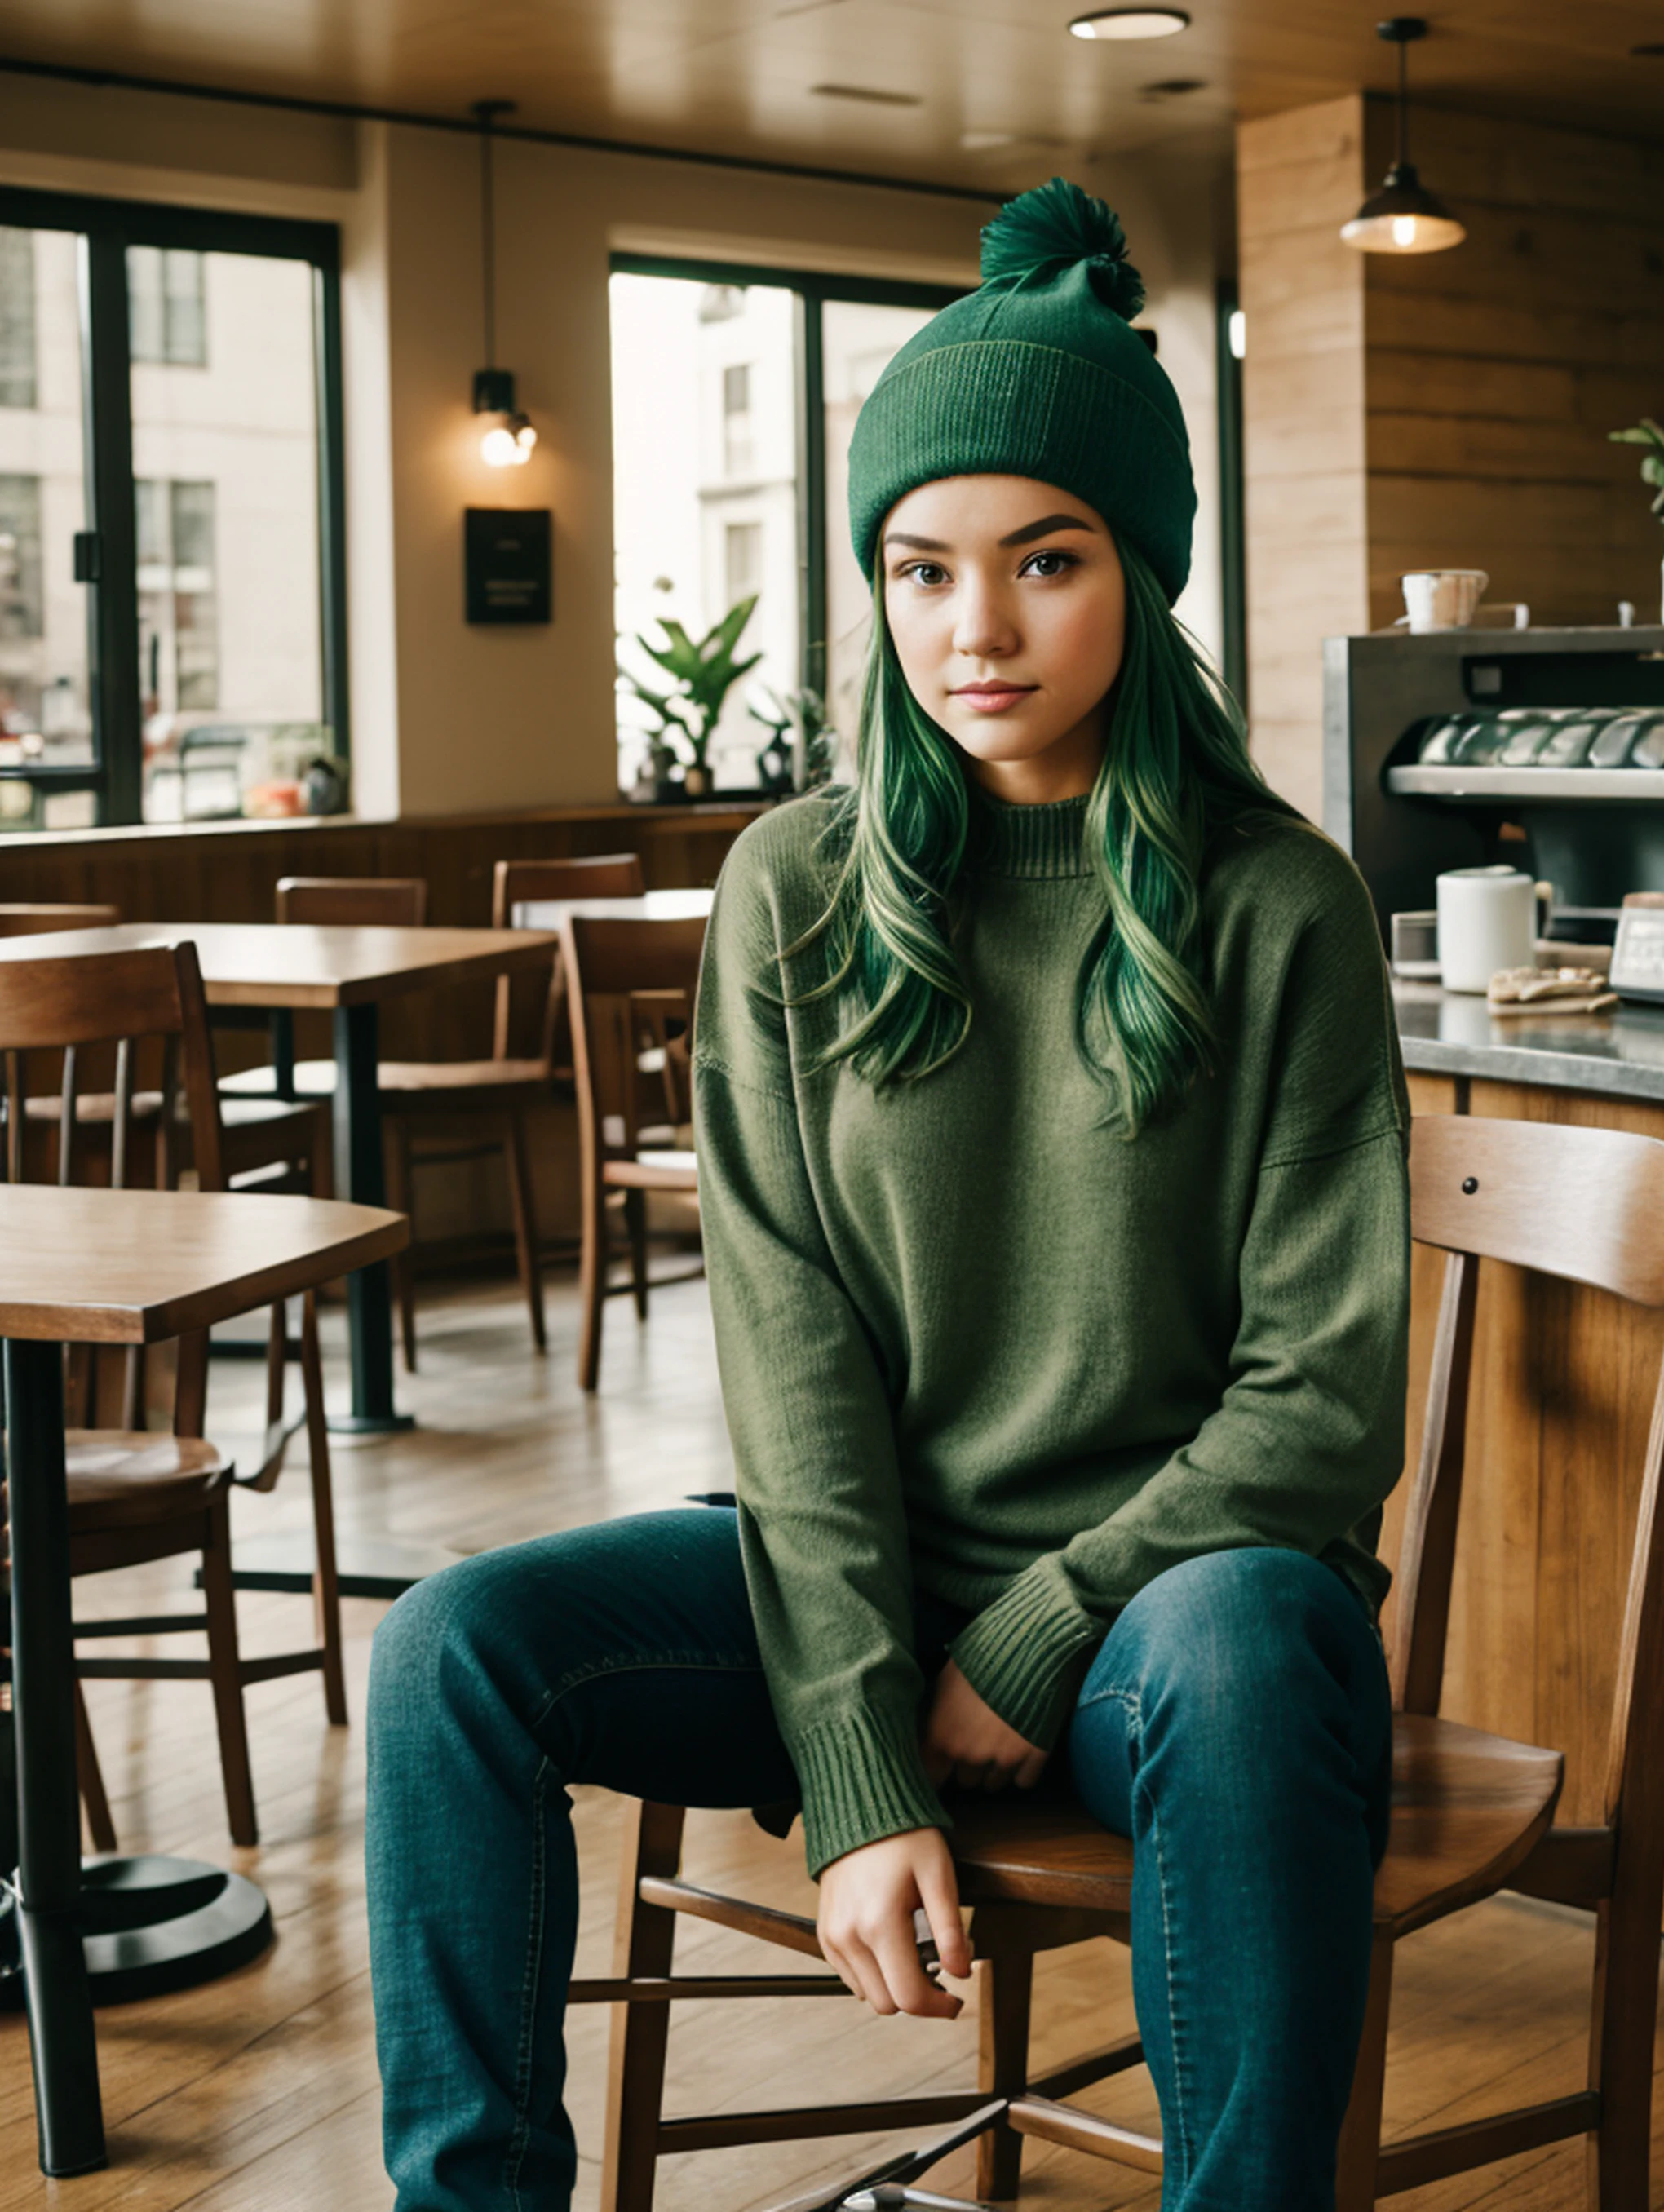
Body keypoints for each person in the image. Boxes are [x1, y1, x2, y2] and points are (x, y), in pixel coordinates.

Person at [365, 177, 1411, 2212]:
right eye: (923, 571)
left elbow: (1326, 1389)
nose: (979, 630)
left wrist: (1034, 1632)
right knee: (448, 1654)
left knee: (1247, 1648)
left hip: (1163, 1619)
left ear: (1146, 573)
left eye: (1047, 561)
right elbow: (792, 1348)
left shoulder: (1283, 904)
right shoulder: (796, 892)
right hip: (847, 1592)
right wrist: (855, 1761)